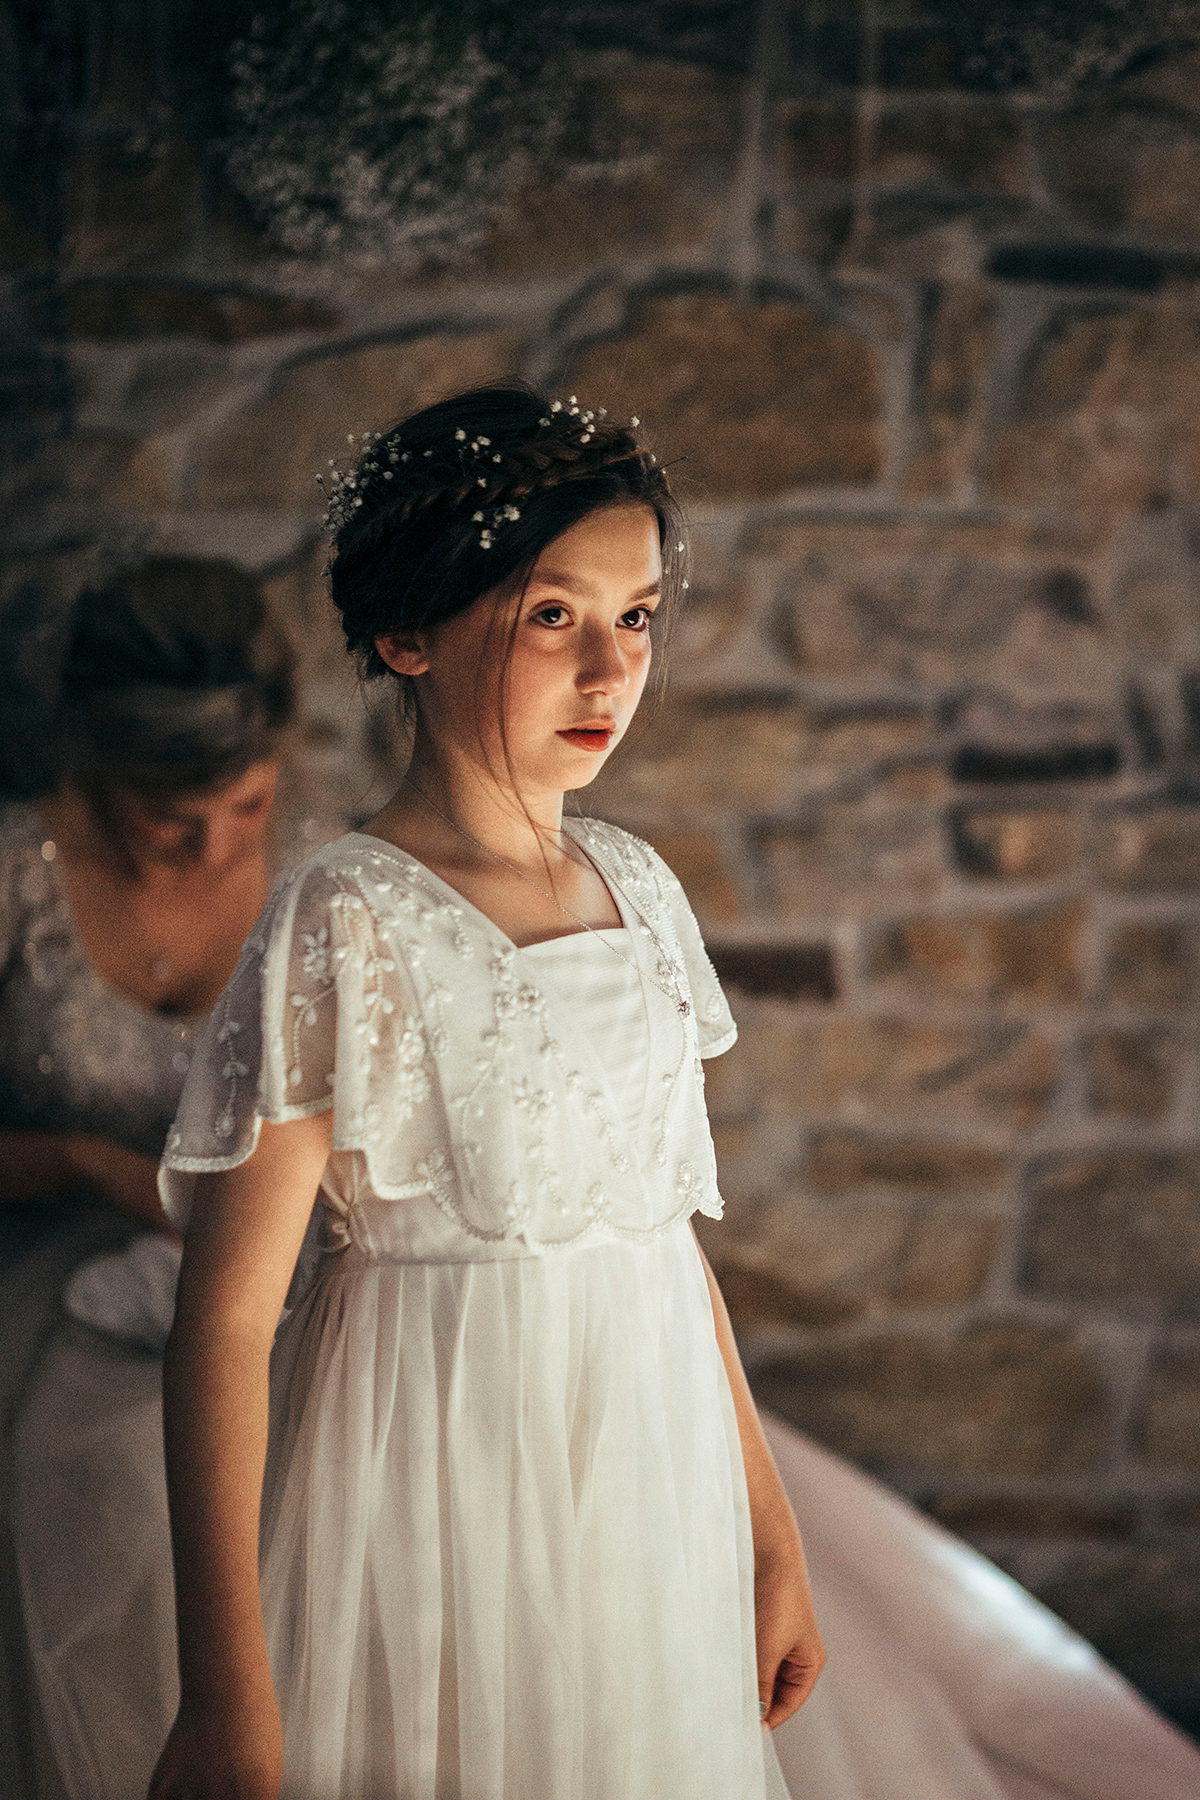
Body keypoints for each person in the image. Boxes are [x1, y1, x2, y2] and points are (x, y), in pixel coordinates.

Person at [150, 389, 823, 1800]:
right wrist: (226, 1695)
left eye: (636, 617)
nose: (607, 672)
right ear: (408, 632)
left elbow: (662, 1237)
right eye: (550, 616)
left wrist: (767, 1532)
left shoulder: (640, 890)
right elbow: (219, 1326)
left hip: (642, 1514)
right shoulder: (344, 923)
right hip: (429, 1510)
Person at [0, 557, 299, 1800]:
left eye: (248, 805)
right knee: (117, 1502)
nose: (215, 844)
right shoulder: (20, 877)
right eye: (171, 819)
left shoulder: (325, 868)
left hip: (272, 1269)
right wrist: (77, 1162)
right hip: (51, 1268)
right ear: (90, 767)